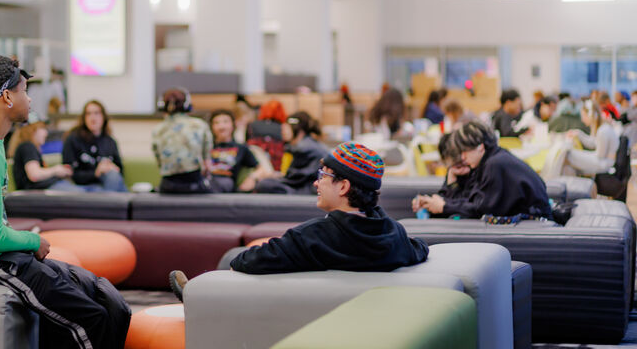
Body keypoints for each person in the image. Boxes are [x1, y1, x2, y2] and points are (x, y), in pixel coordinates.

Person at [0, 55, 130, 349]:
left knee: (100, 294)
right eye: (25, 91)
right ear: (7, 97)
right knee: (94, 317)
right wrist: (32, 241)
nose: (30, 100)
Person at [169, 142, 428, 296]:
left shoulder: (314, 236)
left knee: (232, 256)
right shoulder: (393, 233)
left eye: (323, 176)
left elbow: (248, 261)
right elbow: (420, 249)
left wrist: (240, 258)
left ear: (343, 187)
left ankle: (197, 297)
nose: (316, 182)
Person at [412, 121, 552, 219]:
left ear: (480, 147)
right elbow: (472, 200)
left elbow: (481, 209)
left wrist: (445, 206)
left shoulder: (494, 164)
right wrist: (450, 184)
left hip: (533, 225)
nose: (462, 158)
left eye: (464, 152)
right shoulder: (492, 159)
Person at [152, 87, 213, 193]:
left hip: (168, 185)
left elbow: (160, 162)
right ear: (187, 105)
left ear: (162, 105)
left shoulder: (158, 130)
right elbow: (207, 163)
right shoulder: (199, 125)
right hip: (194, 183)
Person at [254, 111, 329, 195]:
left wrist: (274, 176)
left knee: (265, 184)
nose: (283, 132)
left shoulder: (305, 148)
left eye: (286, 129)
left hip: (307, 191)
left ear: (298, 130)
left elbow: (294, 179)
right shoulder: (307, 145)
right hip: (307, 187)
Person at [62, 100, 127, 192]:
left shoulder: (110, 141)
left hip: (109, 183)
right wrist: (96, 172)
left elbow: (121, 171)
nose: (93, 117)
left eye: (96, 113)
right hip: (84, 187)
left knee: (114, 176)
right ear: (84, 118)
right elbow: (70, 174)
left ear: (103, 117)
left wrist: (112, 167)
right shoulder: (73, 139)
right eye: (88, 114)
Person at [8, 119, 83, 192]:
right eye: (43, 129)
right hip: (36, 192)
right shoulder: (27, 146)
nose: (46, 133)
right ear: (32, 130)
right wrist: (56, 170)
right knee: (81, 195)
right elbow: (34, 175)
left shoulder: (28, 147)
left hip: (44, 189)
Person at [207, 109, 265, 192]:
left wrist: (252, 178)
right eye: (216, 123)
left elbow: (261, 169)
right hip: (206, 181)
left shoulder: (241, 148)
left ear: (233, 125)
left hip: (225, 182)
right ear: (212, 127)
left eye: (225, 122)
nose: (221, 127)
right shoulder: (207, 147)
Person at [564, 99, 618, 176]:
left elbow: (600, 156)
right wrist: (579, 134)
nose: (582, 120)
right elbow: (593, 143)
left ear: (590, 115)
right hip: (604, 161)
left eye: (583, 116)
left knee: (570, 155)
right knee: (572, 156)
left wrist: (580, 156)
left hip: (606, 164)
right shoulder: (602, 128)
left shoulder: (603, 131)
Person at [247, 99, 288, 171]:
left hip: (256, 163)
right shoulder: (282, 127)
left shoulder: (253, 124)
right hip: (277, 163)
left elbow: (247, 142)